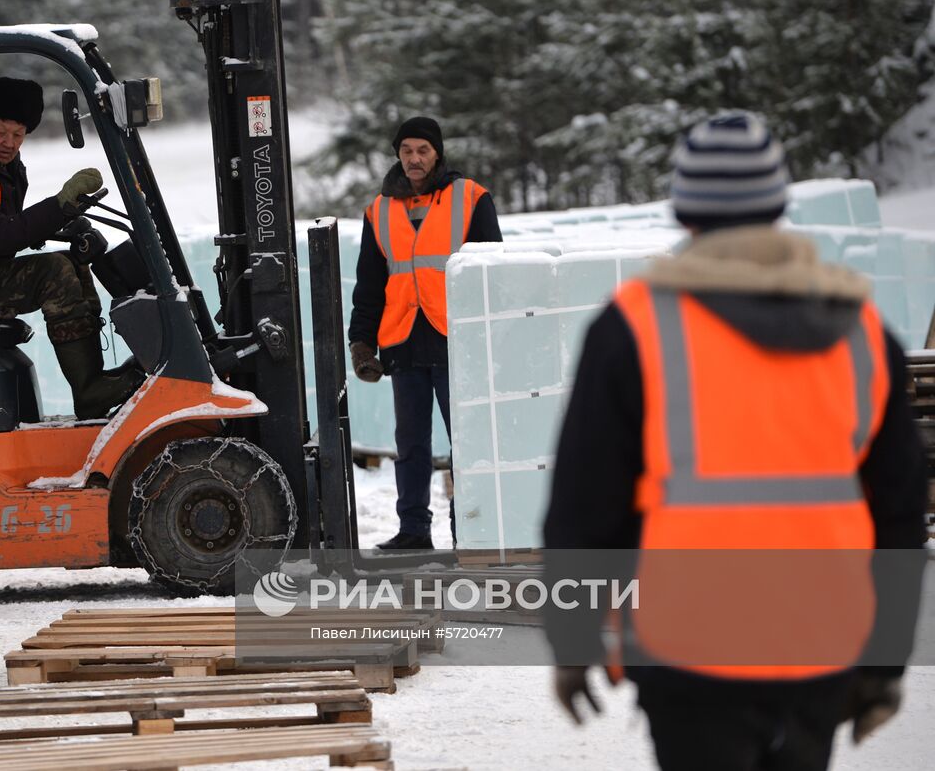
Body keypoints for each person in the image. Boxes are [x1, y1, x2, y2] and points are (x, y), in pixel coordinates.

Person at [543, 113, 927, 770]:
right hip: (821, 645)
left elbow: (585, 505)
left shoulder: (634, 328)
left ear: (685, 214)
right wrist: (884, 662)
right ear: (779, 207)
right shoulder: (863, 333)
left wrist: (573, 639)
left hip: (688, 653)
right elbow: (899, 514)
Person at [0, 74, 140, 419]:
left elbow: (2, 231)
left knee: (72, 262)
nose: (10, 143)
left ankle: (93, 380)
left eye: (18, 135)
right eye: (2, 132)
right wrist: (59, 205)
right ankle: (89, 390)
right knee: (54, 272)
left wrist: (63, 223)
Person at [347, 116, 503, 550]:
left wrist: (492, 337)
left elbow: (493, 273)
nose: (414, 159)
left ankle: (466, 532)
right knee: (411, 445)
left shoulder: (471, 198)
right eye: (407, 151)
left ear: (437, 153)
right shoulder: (378, 211)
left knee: (466, 445)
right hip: (403, 340)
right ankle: (413, 531)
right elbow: (370, 284)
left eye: (423, 150)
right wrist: (361, 342)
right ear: (398, 154)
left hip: (457, 341)